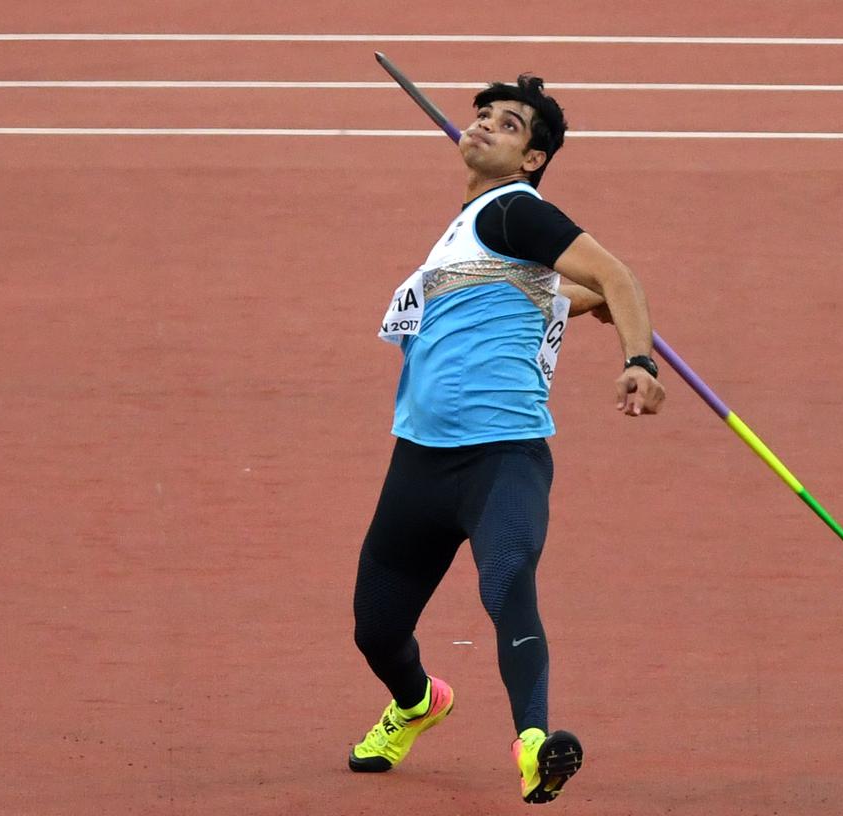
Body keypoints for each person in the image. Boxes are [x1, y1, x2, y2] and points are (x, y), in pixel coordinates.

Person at [349, 74, 665, 805]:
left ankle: (533, 746)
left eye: (511, 124)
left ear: (531, 159)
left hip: (504, 459)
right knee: (376, 631)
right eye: (484, 115)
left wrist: (639, 360)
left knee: (507, 583)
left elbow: (618, 275)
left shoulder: (518, 212)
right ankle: (419, 702)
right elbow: (555, 293)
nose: (487, 123)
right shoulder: (475, 226)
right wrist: (582, 303)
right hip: (420, 464)